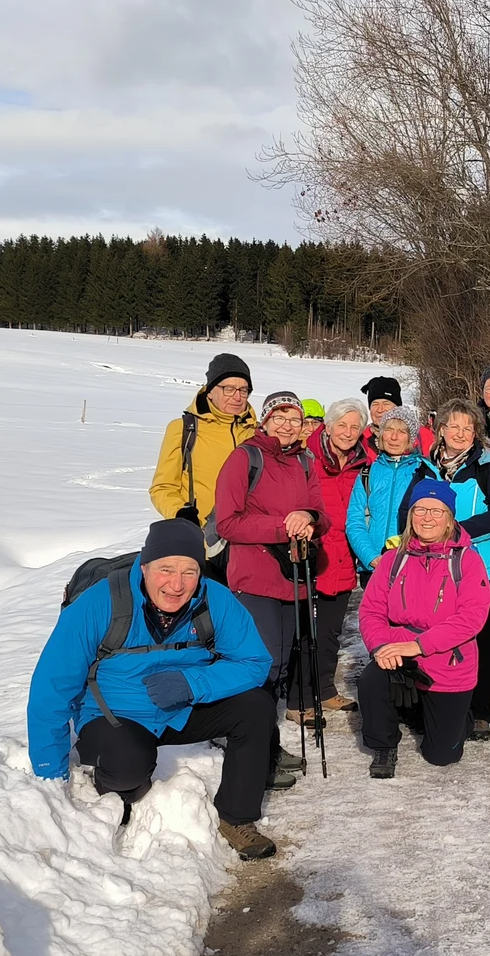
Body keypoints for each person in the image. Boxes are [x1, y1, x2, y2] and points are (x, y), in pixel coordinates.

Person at [28, 519, 278, 860]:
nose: (176, 584)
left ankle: (237, 817)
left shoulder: (214, 599)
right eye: (165, 569)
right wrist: (49, 773)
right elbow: (52, 687)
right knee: (128, 770)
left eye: (189, 572)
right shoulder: (100, 603)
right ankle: (115, 791)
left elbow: (254, 662)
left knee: (256, 707)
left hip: (182, 707)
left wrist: (193, 683)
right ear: (144, 566)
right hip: (115, 714)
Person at [214, 391, 327, 770]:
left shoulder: (306, 461)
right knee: (260, 665)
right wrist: (284, 526)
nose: (287, 425)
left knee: (280, 667)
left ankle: (264, 743)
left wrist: (308, 518)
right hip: (254, 578)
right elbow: (228, 522)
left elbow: (321, 514)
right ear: (264, 420)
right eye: (279, 417)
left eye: (294, 419)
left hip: (294, 576)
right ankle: (249, 745)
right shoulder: (245, 457)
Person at [358, 480, 490, 776]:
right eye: (420, 509)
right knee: (370, 681)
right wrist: (380, 646)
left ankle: (456, 717)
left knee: (441, 756)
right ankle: (383, 745)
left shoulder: (467, 560)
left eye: (436, 511)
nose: (427, 517)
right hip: (398, 651)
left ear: (449, 519)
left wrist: (418, 646)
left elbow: (472, 618)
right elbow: (371, 610)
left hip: (447, 659)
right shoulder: (394, 559)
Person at [429, 399, 490, 739]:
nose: (461, 434)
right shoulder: (427, 467)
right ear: (442, 431)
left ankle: (480, 709)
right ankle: (444, 702)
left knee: (480, 642)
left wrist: (456, 532)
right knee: (443, 640)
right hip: (436, 569)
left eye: (468, 428)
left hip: (484, 570)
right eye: (454, 427)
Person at [149, 353, 258, 585]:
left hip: (248, 543)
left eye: (243, 389)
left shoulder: (256, 432)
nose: (237, 397)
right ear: (210, 390)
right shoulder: (184, 429)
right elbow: (162, 487)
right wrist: (181, 514)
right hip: (202, 543)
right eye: (228, 388)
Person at [292, 398, 369, 718]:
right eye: (342, 425)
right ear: (328, 425)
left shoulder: (362, 463)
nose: (348, 432)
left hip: (341, 558)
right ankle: (298, 700)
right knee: (302, 631)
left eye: (355, 427)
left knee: (329, 630)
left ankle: (324, 690)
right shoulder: (305, 457)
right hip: (311, 554)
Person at [347, 405, 433, 571]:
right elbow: (354, 520)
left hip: (412, 566)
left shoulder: (425, 471)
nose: (394, 437)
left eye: (401, 432)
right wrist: (371, 557)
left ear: (410, 438)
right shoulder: (367, 473)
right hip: (373, 567)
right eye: (389, 430)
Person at [363, 373, 435, 457]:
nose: (379, 409)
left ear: (397, 407)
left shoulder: (422, 435)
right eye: (375, 404)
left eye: (386, 404)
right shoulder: (361, 439)